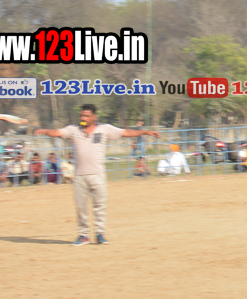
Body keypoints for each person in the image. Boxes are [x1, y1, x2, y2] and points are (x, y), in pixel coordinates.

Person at [33, 104, 158, 246]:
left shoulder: (104, 129)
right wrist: (44, 131)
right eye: (82, 115)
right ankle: (83, 235)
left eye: (87, 116)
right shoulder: (74, 130)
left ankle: (100, 234)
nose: (83, 118)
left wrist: (145, 132)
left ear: (94, 117)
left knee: (100, 206)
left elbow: (125, 132)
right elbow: (57, 132)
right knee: (81, 208)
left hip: (98, 175)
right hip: (80, 176)